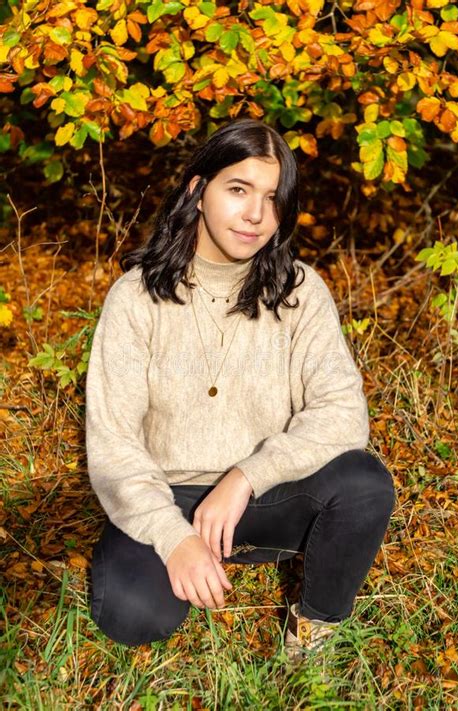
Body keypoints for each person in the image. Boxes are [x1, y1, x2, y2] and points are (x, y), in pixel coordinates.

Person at [86, 117, 396, 660]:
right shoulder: (136, 298)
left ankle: (315, 630)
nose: (256, 214)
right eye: (238, 190)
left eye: (273, 199)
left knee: (364, 482)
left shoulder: (299, 291)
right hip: (172, 497)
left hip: (266, 496)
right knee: (132, 615)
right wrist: (173, 537)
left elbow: (343, 413)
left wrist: (246, 477)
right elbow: (114, 446)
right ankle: (193, 551)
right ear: (198, 190)